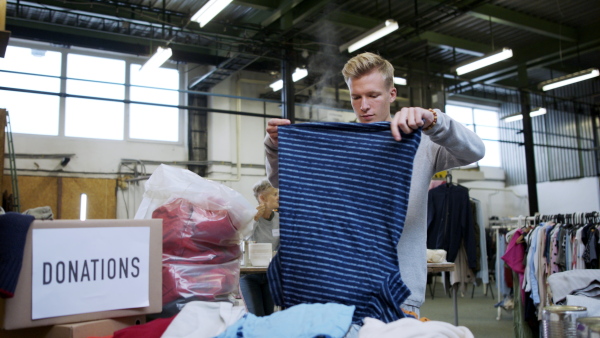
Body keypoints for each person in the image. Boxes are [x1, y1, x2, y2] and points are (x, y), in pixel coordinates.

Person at [263, 52, 485, 317]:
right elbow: (282, 180)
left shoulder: (421, 143)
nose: (364, 105)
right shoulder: (339, 143)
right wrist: (275, 147)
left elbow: (475, 151)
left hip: (399, 292)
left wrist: (434, 120)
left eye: (373, 95)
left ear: (392, 94)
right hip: (339, 289)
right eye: (356, 97)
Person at [239, 179, 280, 316]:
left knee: (268, 316)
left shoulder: (279, 219)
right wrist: (254, 219)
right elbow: (243, 236)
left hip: (269, 275)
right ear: (262, 198)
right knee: (255, 315)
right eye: (274, 194)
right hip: (250, 276)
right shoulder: (249, 217)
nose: (278, 197)